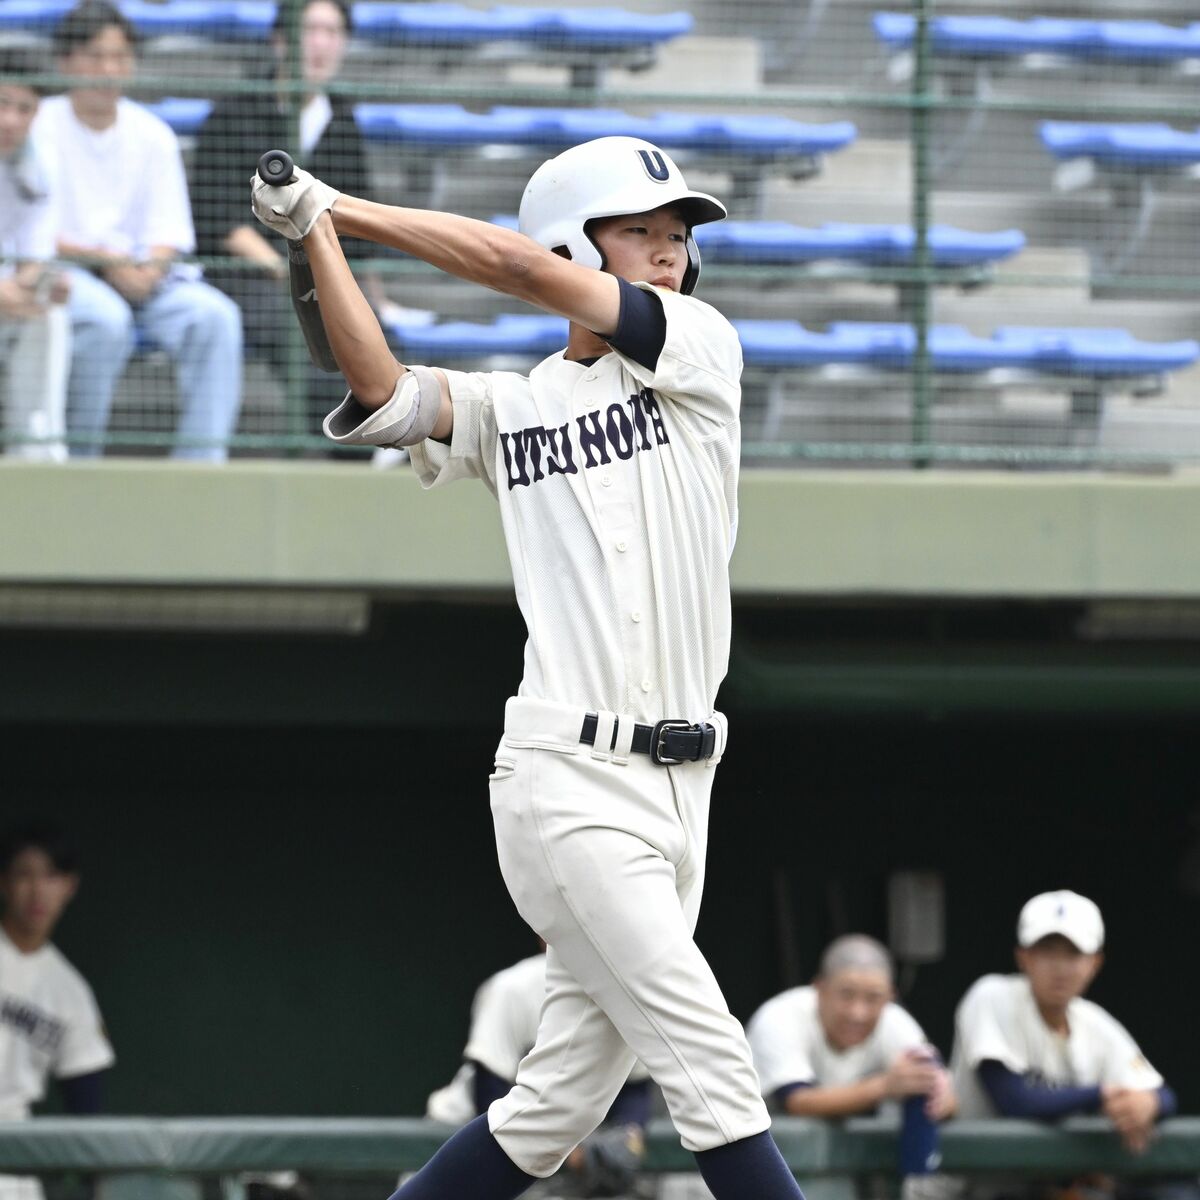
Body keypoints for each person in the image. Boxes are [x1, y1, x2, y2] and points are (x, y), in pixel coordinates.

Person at [250, 135, 807, 1199]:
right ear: (573, 241)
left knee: (555, 1106)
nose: (669, 250)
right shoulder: (515, 405)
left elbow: (514, 269)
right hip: (571, 778)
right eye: (639, 229)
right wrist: (318, 233)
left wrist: (338, 207)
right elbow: (381, 389)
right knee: (711, 1062)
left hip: (685, 788)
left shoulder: (699, 346)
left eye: (678, 234)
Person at [34, 0, 243, 461]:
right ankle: (75, 467)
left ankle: (201, 471)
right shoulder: (38, 126)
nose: (108, 70)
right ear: (66, 61)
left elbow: (170, 231)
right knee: (105, 320)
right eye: (95, 56)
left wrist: (147, 271)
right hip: (67, 273)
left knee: (215, 317)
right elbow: (32, 231)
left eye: (120, 57)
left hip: (145, 278)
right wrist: (106, 262)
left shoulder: (153, 134)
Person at [191, 0, 376, 442]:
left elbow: (359, 218)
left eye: (333, 32)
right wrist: (287, 270)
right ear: (279, 40)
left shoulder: (342, 119)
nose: (321, 44)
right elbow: (219, 218)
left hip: (322, 272)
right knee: (299, 332)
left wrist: (370, 295)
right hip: (247, 275)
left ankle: (386, 434)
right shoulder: (234, 112)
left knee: (375, 330)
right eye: (310, 30)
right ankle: (354, 442)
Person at [951, 890, 1187, 1200]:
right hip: (964, 1190)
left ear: (1094, 963)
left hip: (1041, 1188)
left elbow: (1163, 1092)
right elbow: (1014, 1101)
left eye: (1073, 953)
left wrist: (1150, 1102)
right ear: (1023, 957)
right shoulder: (992, 996)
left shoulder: (1095, 1023)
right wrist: (1100, 1094)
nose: (1060, 967)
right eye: (1047, 951)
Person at [427, 945, 653, 1198]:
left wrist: (628, 1137)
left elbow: (636, 1090)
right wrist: (571, 1150)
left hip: (560, 1144)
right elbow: (488, 1091)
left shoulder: (622, 992)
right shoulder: (512, 988)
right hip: (464, 1134)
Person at [746, 935, 954, 1187]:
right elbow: (798, 1102)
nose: (858, 1013)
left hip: (839, 1172)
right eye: (846, 995)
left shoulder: (895, 1021)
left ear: (890, 997)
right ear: (820, 989)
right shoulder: (779, 1017)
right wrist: (885, 1086)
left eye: (873, 998)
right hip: (754, 1165)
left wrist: (938, 1097)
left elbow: (948, 1098)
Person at [0, 820, 115, 1200]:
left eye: (51, 876)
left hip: (10, 1159)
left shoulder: (70, 993)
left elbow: (87, 1117)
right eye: (24, 874)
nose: (37, 890)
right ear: (4, 882)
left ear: (69, 886)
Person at [0, 46, 70, 463]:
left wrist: (34, 286)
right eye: (2, 103)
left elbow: (36, 255)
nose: (11, 120)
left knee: (51, 312)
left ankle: (39, 450)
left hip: (11, 297)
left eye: (24, 109)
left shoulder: (42, 161)